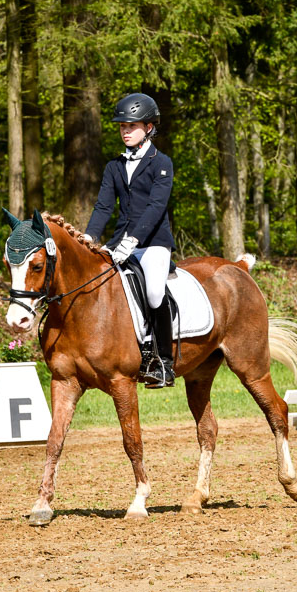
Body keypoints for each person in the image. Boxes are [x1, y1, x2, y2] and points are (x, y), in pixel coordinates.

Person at [85, 92, 176, 388]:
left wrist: (133, 241)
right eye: (122, 126)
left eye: (131, 126)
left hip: (153, 243)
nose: (125, 130)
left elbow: (155, 207)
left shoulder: (162, 163)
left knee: (152, 293)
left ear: (149, 127)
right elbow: (103, 207)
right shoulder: (114, 166)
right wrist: (89, 238)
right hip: (119, 241)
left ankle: (164, 362)